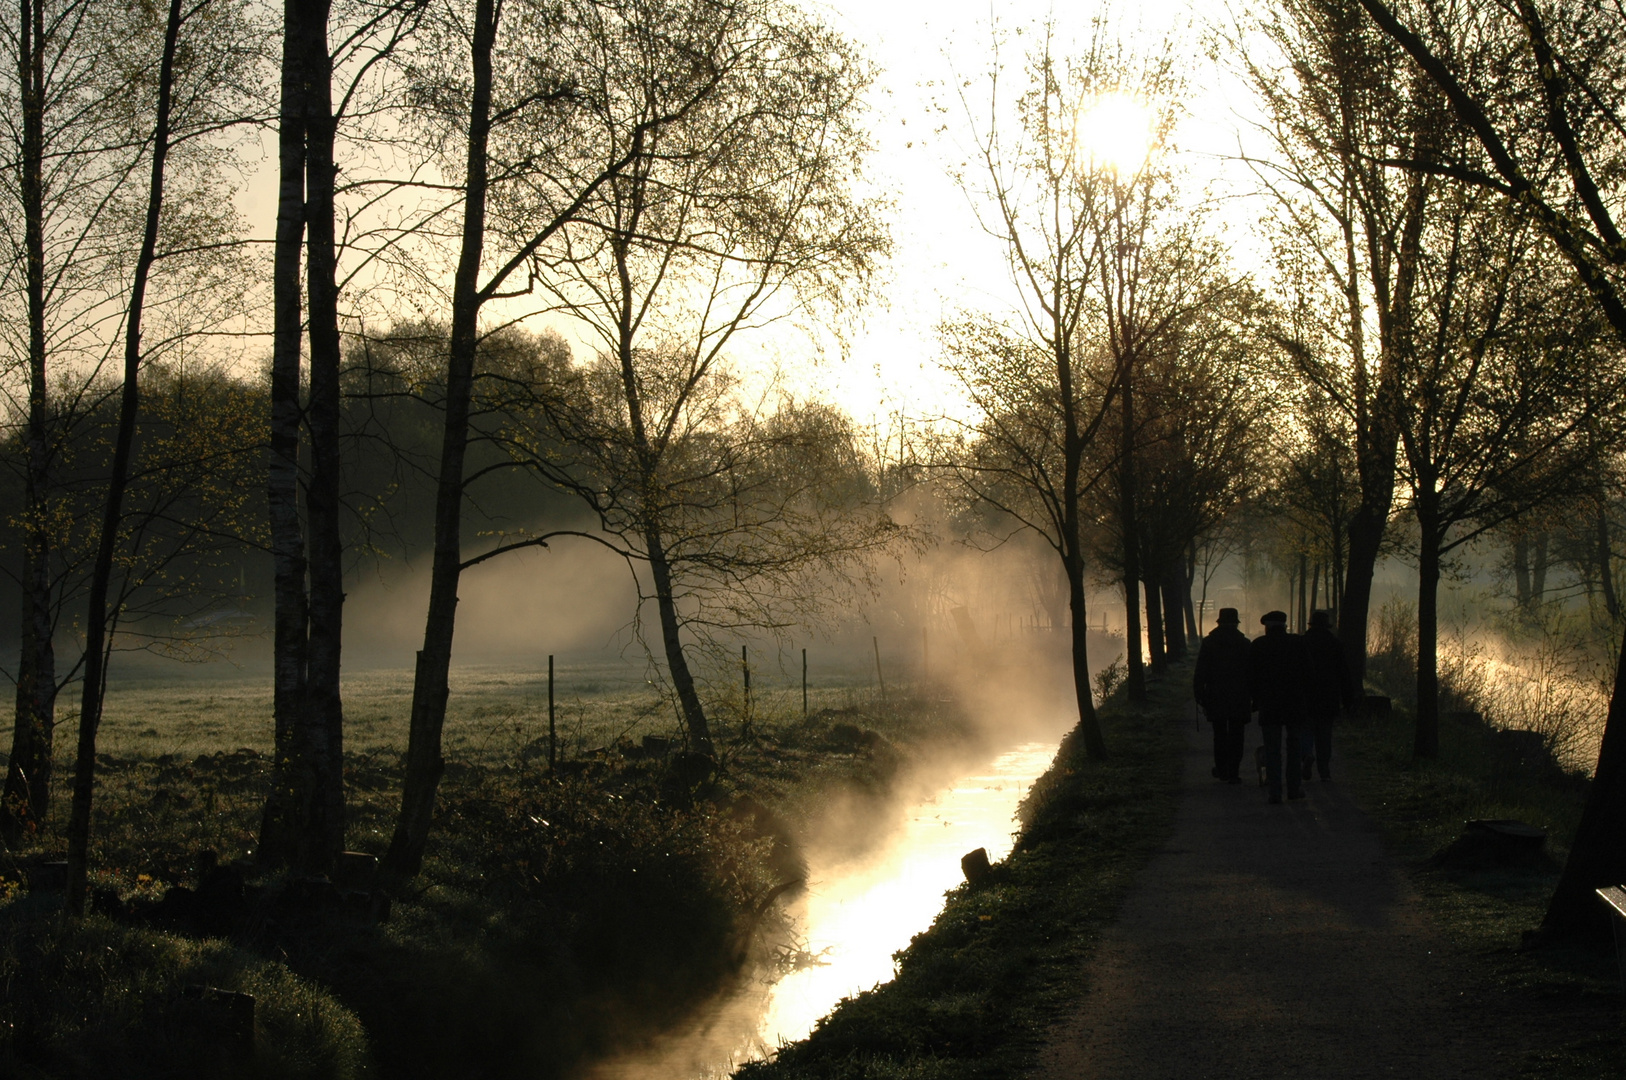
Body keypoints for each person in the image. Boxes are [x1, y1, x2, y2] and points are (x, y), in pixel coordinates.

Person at [1248, 609, 1306, 804]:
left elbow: (1251, 677)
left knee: (1272, 749)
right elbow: (1310, 674)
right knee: (1294, 747)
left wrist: (1254, 700)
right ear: (1284, 625)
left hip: (1269, 705)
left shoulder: (1259, 645)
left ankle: (1274, 791)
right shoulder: (1298, 643)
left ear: (1267, 627)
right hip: (1294, 704)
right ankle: (1294, 788)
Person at [1193, 607, 1251, 783]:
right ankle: (1233, 771)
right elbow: (1252, 673)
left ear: (1219, 622)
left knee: (1219, 734)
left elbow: (1200, 671)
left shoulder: (1209, 643)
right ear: (1236, 623)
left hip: (1215, 695)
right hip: (1239, 696)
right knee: (1236, 734)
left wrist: (1199, 694)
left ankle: (1221, 768)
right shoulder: (1245, 644)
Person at [1300, 609, 1351, 780]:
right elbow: (1343, 673)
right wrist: (1347, 699)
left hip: (1306, 695)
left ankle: (1306, 754)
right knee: (1324, 734)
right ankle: (1324, 770)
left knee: (1306, 729)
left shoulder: (1303, 642)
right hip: (1328, 695)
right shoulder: (1335, 644)